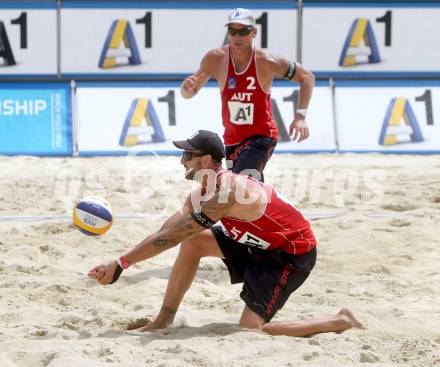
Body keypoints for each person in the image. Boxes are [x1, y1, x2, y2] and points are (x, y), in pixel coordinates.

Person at [88, 130, 363, 337]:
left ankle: (341, 321)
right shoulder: (199, 194)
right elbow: (166, 232)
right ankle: (164, 319)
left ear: (206, 160)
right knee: (194, 241)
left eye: (188, 155)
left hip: (289, 255)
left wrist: (121, 265)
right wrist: (118, 262)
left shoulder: (227, 192)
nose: (182, 160)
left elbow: (169, 239)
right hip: (258, 245)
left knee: (252, 330)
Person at [180, 8, 315, 182]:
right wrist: (186, 89)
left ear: (254, 32)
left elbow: (307, 77)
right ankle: (268, 206)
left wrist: (300, 117)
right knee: (242, 189)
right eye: (232, 31)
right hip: (232, 138)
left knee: (241, 183)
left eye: (243, 31)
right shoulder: (215, 58)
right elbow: (188, 94)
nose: (237, 36)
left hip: (261, 136)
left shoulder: (267, 61)